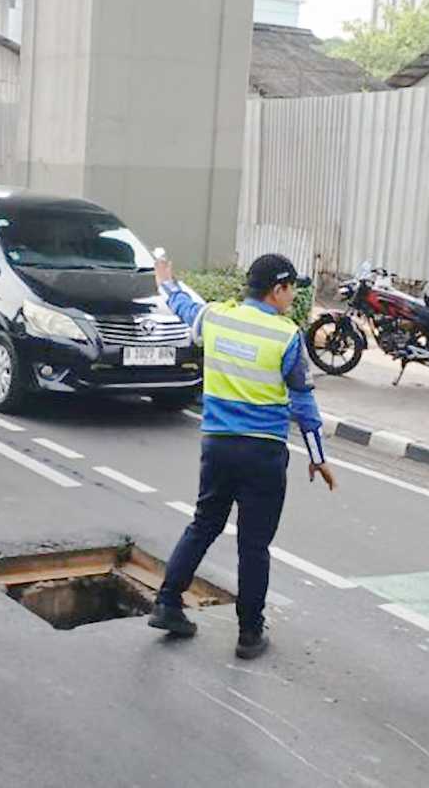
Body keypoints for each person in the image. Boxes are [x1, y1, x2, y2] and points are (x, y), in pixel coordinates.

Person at [147, 253, 336, 660]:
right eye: (292, 290)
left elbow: (184, 307)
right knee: (253, 545)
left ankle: (167, 602)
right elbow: (303, 404)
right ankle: (250, 633)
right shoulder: (285, 336)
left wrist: (166, 281)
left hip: (217, 446)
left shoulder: (217, 318)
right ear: (278, 289)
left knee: (204, 524)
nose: (293, 298)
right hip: (263, 452)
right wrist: (318, 457)